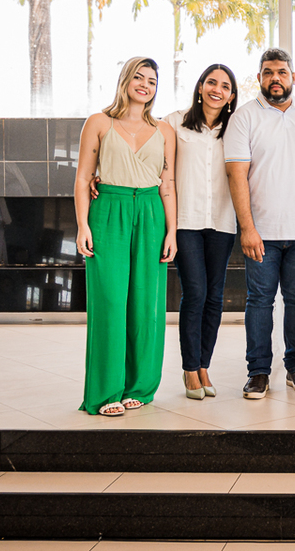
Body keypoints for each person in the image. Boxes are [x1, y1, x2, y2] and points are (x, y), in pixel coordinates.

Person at [75, 57, 177, 417]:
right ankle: (105, 392)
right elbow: (84, 178)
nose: (145, 85)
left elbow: (168, 184)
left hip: (151, 213)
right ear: (125, 80)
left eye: (152, 80)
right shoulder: (99, 122)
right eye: (139, 77)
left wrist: (172, 232)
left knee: (146, 304)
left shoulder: (165, 130)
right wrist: (83, 225)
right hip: (109, 212)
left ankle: (140, 386)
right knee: (109, 302)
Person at [225, 49, 295, 399]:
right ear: (260, 78)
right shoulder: (244, 117)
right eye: (268, 73)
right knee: (259, 301)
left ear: (293, 77)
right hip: (261, 232)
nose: (275, 79)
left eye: (282, 72)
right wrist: (247, 228)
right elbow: (236, 176)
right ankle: (258, 372)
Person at [164, 64, 239, 400]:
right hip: (187, 221)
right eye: (211, 82)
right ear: (200, 87)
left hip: (222, 221)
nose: (217, 89)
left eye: (225, 86)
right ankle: (189, 368)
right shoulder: (174, 122)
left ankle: (204, 365)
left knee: (214, 297)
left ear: (231, 95)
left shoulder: (236, 128)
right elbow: (157, 164)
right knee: (194, 293)